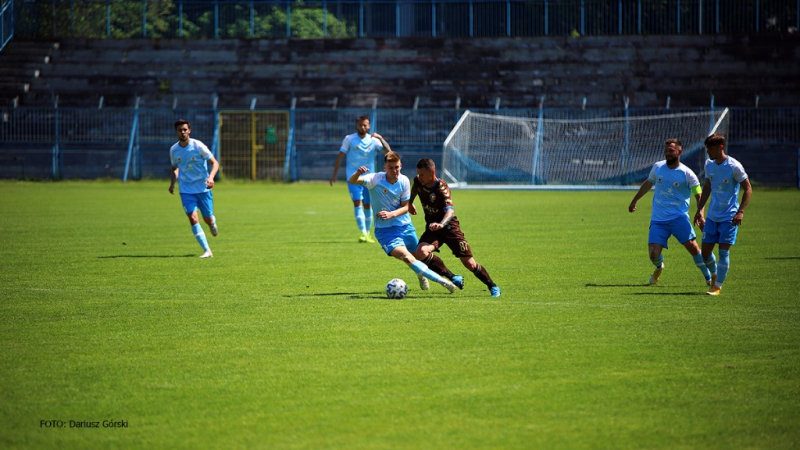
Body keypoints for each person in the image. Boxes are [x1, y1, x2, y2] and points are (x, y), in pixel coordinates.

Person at [349, 151, 457, 294]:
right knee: (407, 257)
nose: (394, 171)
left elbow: (406, 206)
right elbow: (352, 181)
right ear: (384, 167)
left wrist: (391, 214)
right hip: (386, 231)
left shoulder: (404, 180)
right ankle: (443, 282)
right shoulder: (375, 179)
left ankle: (420, 274)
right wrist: (358, 173)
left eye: (397, 167)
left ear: (400, 166)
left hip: (405, 226)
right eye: (391, 168)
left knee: (417, 257)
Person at [409, 157, 501, 297]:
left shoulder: (442, 188)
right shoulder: (418, 181)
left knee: (469, 263)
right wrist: (410, 203)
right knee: (421, 252)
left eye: (422, 174)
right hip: (433, 229)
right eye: (418, 174)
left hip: (449, 228)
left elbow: (450, 211)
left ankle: (492, 286)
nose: (419, 177)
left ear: (432, 172)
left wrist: (441, 224)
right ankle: (453, 277)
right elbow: (414, 190)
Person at [628, 138, 714, 288]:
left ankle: (708, 277)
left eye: (671, 151)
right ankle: (659, 267)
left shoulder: (687, 174)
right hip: (659, 219)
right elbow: (648, 183)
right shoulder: (658, 167)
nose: (668, 153)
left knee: (693, 248)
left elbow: (699, 194)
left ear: (680, 152)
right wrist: (635, 200)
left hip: (678, 218)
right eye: (666, 150)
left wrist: (700, 213)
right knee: (653, 254)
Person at [693, 134, 752, 296]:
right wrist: (699, 210)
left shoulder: (734, 166)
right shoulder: (709, 165)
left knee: (723, 252)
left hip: (729, 217)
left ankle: (717, 286)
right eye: (707, 149)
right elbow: (707, 187)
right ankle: (714, 275)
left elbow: (748, 188)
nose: (708, 152)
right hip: (712, 216)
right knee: (705, 253)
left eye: (710, 149)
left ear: (720, 147)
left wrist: (740, 211)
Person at [331, 115, 391, 243]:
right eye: (360, 125)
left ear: (369, 126)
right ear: (356, 125)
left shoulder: (374, 140)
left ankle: (367, 234)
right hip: (353, 177)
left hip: (369, 178)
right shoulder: (349, 139)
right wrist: (334, 174)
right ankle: (363, 232)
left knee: (368, 205)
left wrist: (380, 137)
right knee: (357, 203)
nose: (363, 127)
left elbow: (388, 152)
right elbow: (340, 156)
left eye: (365, 125)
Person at [169, 119, 220, 258]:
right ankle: (207, 250)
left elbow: (215, 163)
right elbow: (175, 168)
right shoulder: (174, 150)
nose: (183, 132)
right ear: (176, 132)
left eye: (185, 129)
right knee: (192, 217)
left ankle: (212, 223)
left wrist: (211, 177)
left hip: (203, 188)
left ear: (189, 130)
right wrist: (172, 183)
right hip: (186, 190)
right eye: (180, 130)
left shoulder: (198, 146)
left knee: (207, 219)